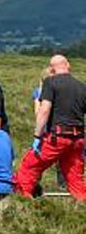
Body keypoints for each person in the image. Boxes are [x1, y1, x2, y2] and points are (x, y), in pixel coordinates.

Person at [14, 55, 86, 200]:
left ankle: (23, 201)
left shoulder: (50, 82)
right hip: (77, 139)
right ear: (68, 65)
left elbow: (44, 110)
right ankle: (82, 206)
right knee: (75, 178)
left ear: (52, 68)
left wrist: (37, 136)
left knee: (29, 167)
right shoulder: (81, 86)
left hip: (57, 138)